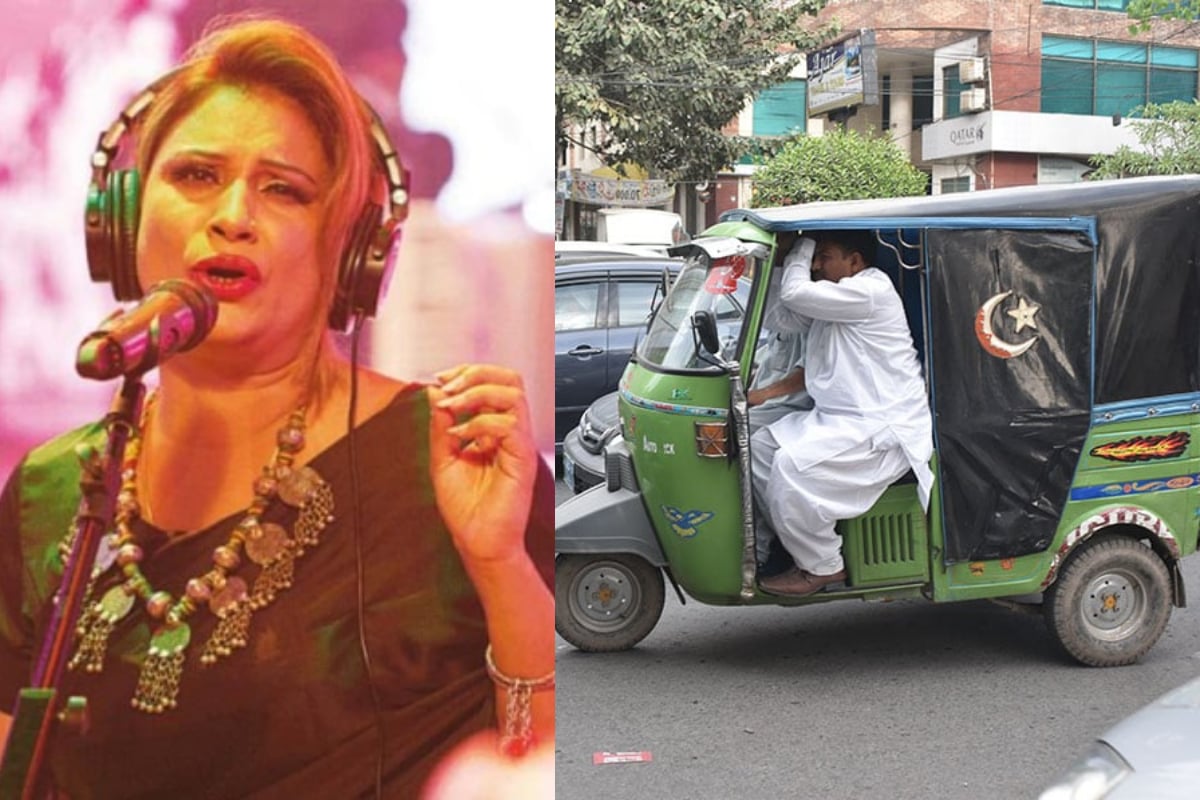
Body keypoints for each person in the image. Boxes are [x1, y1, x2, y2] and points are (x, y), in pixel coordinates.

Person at [0, 14, 553, 799]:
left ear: (353, 252)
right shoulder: (51, 491)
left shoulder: (456, 459)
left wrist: (498, 564)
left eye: (283, 189)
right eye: (195, 175)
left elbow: (540, 758)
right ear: (120, 222)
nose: (232, 215)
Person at [750, 231, 933, 597]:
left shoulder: (869, 291)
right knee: (760, 447)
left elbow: (795, 294)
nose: (816, 266)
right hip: (838, 421)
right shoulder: (834, 300)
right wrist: (760, 395)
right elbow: (780, 315)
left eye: (825, 256)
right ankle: (792, 545)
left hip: (880, 426)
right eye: (815, 258)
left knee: (791, 468)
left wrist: (802, 245)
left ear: (855, 261)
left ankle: (823, 567)